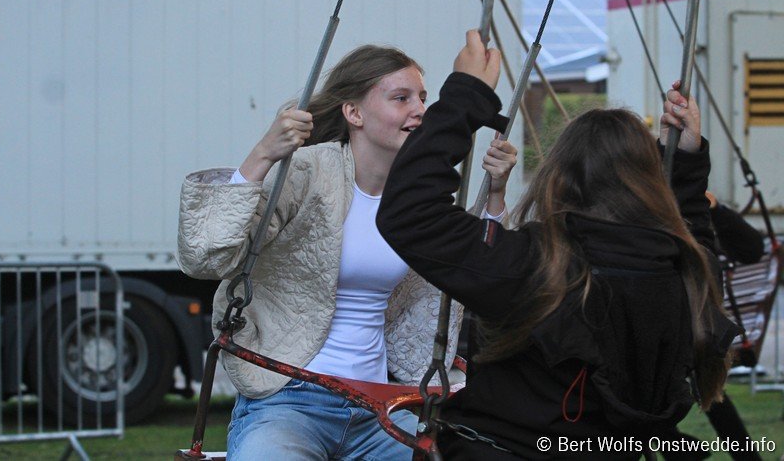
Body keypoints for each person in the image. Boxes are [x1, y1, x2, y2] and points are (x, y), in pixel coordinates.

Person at [377, 30, 739, 459]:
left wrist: (465, 95)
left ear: (558, 180)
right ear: (651, 183)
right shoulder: (687, 276)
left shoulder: (536, 267)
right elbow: (693, 235)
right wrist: (686, 161)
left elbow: (411, 213)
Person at [177, 40, 517, 460]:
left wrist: (496, 194)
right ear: (354, 113)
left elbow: (479, 273)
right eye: (401, 98)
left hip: (379, 406)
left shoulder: (417, 196)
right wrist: (263, 154)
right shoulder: (308, 171)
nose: (420, 110)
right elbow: (206, 256)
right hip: (290, 400)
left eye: (423, 98)